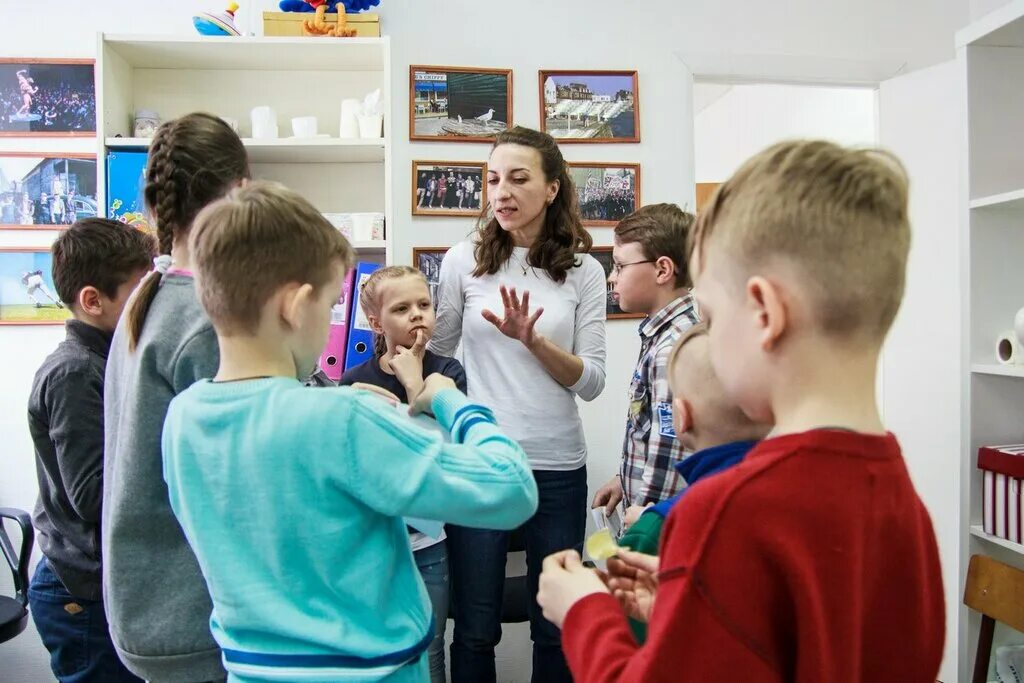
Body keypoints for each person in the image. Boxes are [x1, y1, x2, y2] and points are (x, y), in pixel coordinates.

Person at [537, 140, 945, 681]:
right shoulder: (905, 504)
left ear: (764, 314)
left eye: (710, 313)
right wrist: (686, 604)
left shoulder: (726, 511)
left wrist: (584, 611)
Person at [163, 181, 538, 682]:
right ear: (296, 306)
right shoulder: (342, 420)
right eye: (329, 304)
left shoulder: (183, 417)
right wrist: (449, 400)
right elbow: (511, 488)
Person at [430, 125, 606, 682]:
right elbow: (437, 350)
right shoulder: (463, 261)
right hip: (482, 465)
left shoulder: (585, 270)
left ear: (552, 188)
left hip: (558, 469)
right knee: (476, 625)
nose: (501, 192)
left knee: (554, 624)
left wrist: (533, 341)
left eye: (518, 178)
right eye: (492, 179)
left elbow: (593, 381)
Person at [102, 112, 250, 683]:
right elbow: (245, 473)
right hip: (189, 611)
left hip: (145, 597)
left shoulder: (153, 290)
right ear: (239, 192)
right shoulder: (204, 319)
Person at [27, 218, 154, 683]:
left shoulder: (108, 361)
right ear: (92, 301)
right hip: (78, 595)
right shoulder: (75, 373)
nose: (151, 306)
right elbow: (94, 495)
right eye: (139, 293)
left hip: (96, 583)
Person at [340, 265, 467, 683]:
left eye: (424, 305)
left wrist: (415, 386)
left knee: (430, 650)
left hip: (428, 546)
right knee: (376, 653)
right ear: (376, 322)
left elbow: (442, 455)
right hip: (373, 544)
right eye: (402, 308)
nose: (417, 315)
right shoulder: (354, 381)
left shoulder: (448, 374)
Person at [616, 322, 768, 643]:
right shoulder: (794, 494)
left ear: (681, 417)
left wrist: (581, 609)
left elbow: (628, 655)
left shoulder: (654, 533)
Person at [590, 204, 699, 527]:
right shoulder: (663, 335)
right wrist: (624, 479)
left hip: (656, 529)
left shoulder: (672, 349)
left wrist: (643, 522)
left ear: (663, 270)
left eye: (620, 266)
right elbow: (648, 431)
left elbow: (670, 450)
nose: (612, 277)